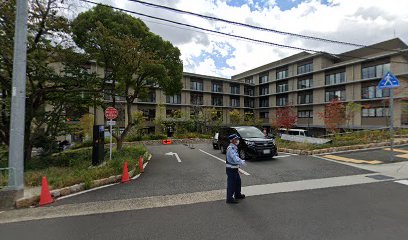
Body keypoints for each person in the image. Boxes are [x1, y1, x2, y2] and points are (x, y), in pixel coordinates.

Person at [226, 134, 247, 204]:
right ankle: (229, 198)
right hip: (231, 169)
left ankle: (237, 194)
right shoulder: (231, 149)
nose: (238, 140)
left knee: (238, 182)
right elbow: (235, 158)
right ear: (233, 140)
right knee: (231, 184)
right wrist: (241, 162)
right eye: (236, 139)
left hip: (234, 169)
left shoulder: (234, 147)